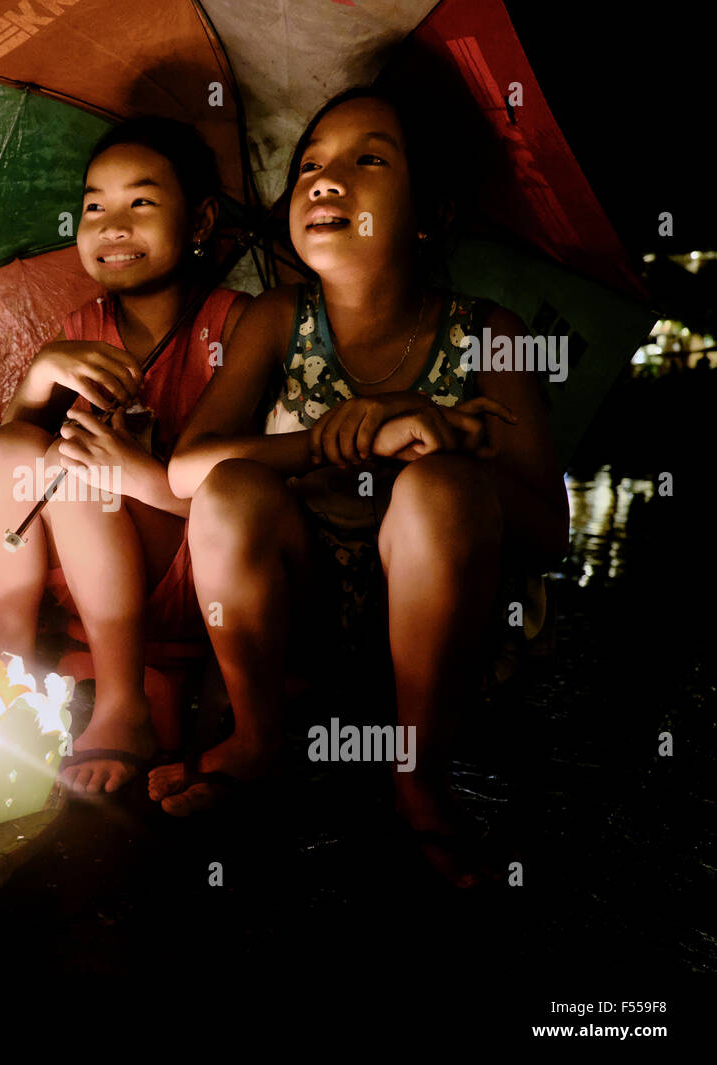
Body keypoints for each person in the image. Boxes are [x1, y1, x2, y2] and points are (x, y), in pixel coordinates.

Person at [160, 88, 569, 885]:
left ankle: (418, 774)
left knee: (443, 490)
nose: (325, 180)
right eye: (311, 164)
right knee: (233, 489)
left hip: (444, 638)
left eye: (368, 160)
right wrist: (321, 442)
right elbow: (185, 469)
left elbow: (548, 529)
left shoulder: (491, 334)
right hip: (302, 620)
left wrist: (434, 442)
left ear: (430, 213)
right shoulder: (278, 317)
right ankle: (256, 734)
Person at [0, 116, 250, 796]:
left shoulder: (236, 326)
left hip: (193, 562)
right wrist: (41, 374)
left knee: (80, 473)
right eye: (95, 206)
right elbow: (12, 468)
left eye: (141, 203)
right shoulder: (80, 331)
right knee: (15, 447)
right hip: (91, 559)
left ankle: (124, 706)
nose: (112, 225)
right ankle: (6, 673)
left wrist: (132, 473)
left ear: (201, 220)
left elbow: (250, 493)